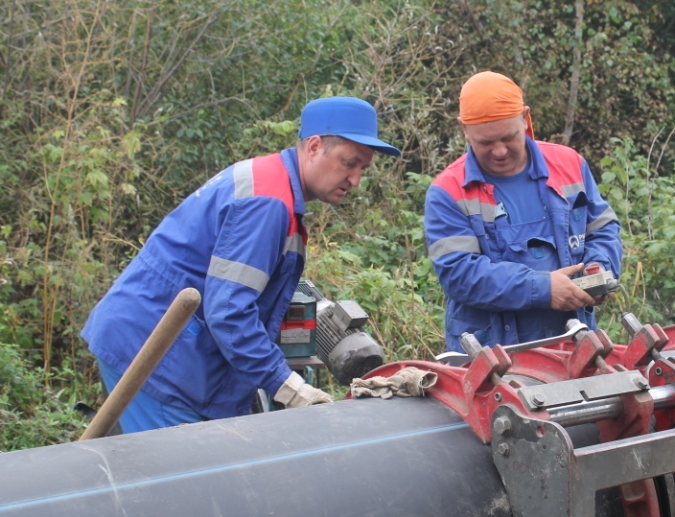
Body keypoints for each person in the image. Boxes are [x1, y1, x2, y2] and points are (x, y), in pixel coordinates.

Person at [82, 97, 400, 433]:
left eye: (363, 168)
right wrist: (287, 386)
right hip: (155, 354)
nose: (355, 180)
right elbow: (229, 311)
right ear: (315, 146)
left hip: (161, 342)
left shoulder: (271, 183)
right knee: (183, 479)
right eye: (348, 164)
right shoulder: (268, 203)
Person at [424, 71, 622, 352]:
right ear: (464, 129)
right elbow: (459, 275)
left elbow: (602, 229)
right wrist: (542, 288)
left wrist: (599, 269)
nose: (500, 151)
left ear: (525, 118)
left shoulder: (569, 164)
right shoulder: (448, 191)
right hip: (489, 356)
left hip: (573, 343)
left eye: (508, 137)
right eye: (485, 143)